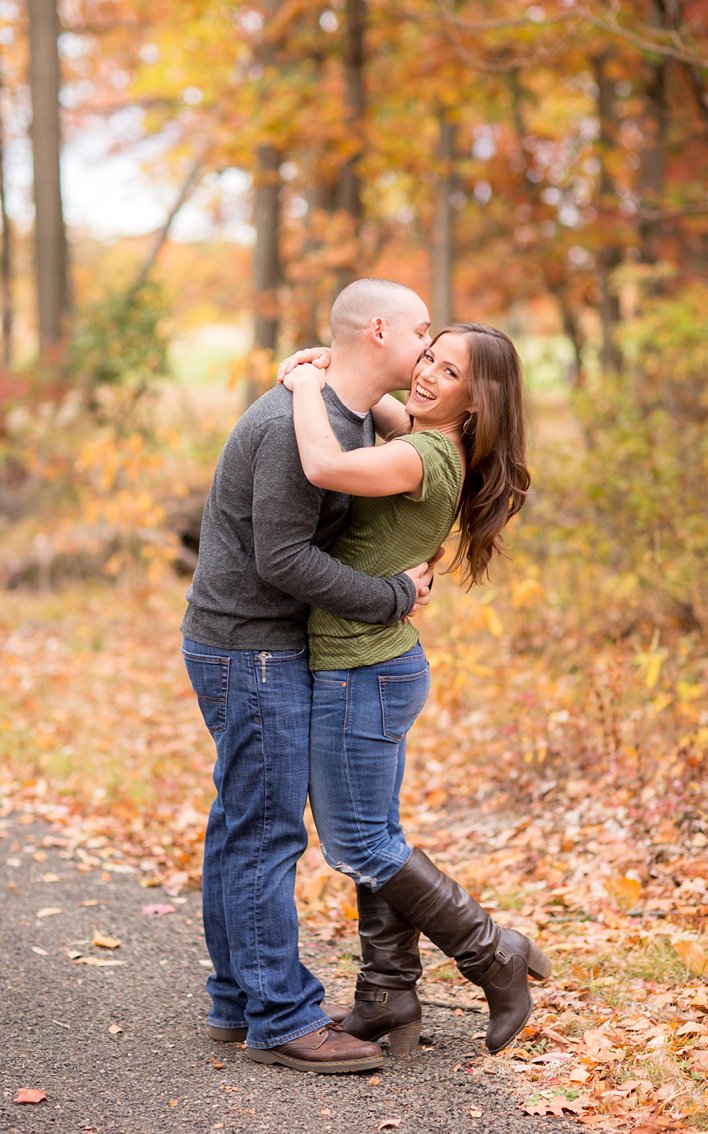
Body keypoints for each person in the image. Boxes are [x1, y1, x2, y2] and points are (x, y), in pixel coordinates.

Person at [181, 277, 438, 1073]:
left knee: (240, 823)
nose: (429, 348)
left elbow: (413, 433)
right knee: (264, 830)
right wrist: (391, 597)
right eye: (423, 332)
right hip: (251, 648)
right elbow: (282, 557)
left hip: (241, 640)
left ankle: (239, 1000)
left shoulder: (340, 409)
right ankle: (281, 1018)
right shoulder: (302, 424)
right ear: (382, 331)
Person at [276, 320, 550, 1059]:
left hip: (365, 668)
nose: (426, 371)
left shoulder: (423, 457)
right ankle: (386, 994)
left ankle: (493, 952)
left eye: (449, 371)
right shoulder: (433, 439)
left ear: (476, 401)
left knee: (358, 840)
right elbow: (389, 408)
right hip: (376, 664)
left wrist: (303, 383)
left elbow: (326, 466)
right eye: (428, 355)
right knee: (375, 835)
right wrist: (334, 363)